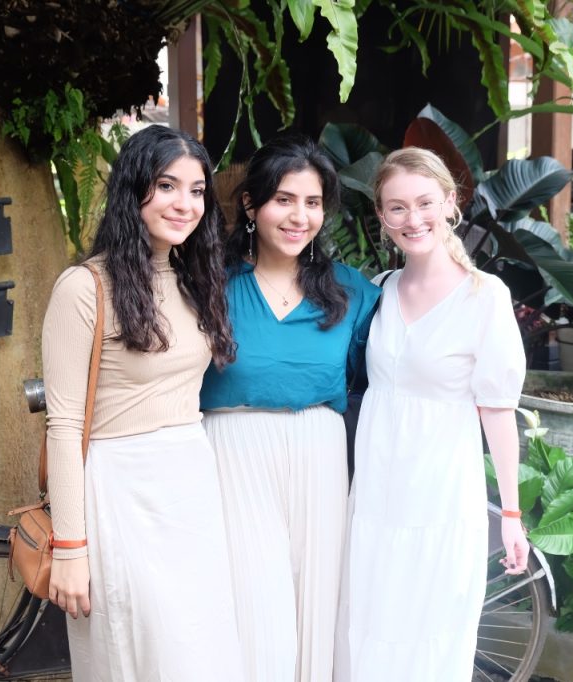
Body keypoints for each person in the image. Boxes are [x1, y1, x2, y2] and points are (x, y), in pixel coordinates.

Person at [42, 125, 243, 681]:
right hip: (121, 490)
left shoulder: (193, 279)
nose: (185, 204)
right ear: (134, 190)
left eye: (197, 190)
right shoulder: (84, 288)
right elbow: (64, 424)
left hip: (190, 484)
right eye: (167, 186)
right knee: (135, 651)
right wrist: (70, 547)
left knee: (196, 651)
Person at [335, 147, 530, 682]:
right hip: (375, 494)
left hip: (440, 497)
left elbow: (497, 412)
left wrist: (511, 514)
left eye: (424, 202)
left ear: (449, 202)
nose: (412, 218)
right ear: (381, 216)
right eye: (396, 207)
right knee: (368, 622)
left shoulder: (484, 298)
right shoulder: (379, 290)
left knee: (428, 628)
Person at [200, 134, 381, 682]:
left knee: (316, 602)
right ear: (251, 204)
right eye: (284, 199)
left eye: (313, 202)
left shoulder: (353, 292)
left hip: (319, 451)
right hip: (233, 451)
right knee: (253, 605)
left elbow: (378, 374)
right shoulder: (210, 285)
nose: (299, 216)